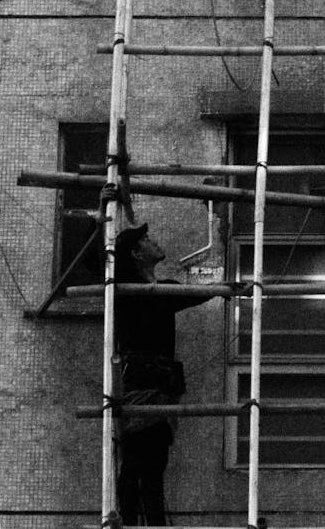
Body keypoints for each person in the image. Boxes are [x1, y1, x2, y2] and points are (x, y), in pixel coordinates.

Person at [113, 221, 215, 526]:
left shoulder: (161, 290)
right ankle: (133, 522)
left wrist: (226, 290)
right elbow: (95, 257)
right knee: (136, 463)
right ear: (135, 253)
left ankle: (150, 522)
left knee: (153, 463)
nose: (154, 240)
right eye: (145, 239)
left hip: (160, 382)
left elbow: (192, 295)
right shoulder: (124, 285)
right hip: (141, 381)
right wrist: (103, 212)